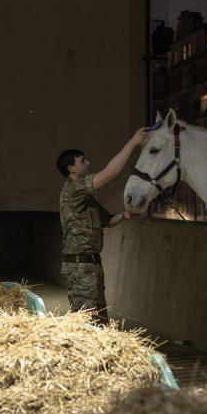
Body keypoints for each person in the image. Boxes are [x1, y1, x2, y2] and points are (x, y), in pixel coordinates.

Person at [55, 127, 149, 320]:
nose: (88, 163)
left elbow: (107, 220)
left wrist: (126, 215)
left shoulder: (86, 198)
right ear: (70, 168)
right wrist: (133, 142)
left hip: (91, 267)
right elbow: (110, 172)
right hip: (80, 269)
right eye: (83, 160)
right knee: (87, 325)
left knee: (99, 323)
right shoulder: (73, 189)